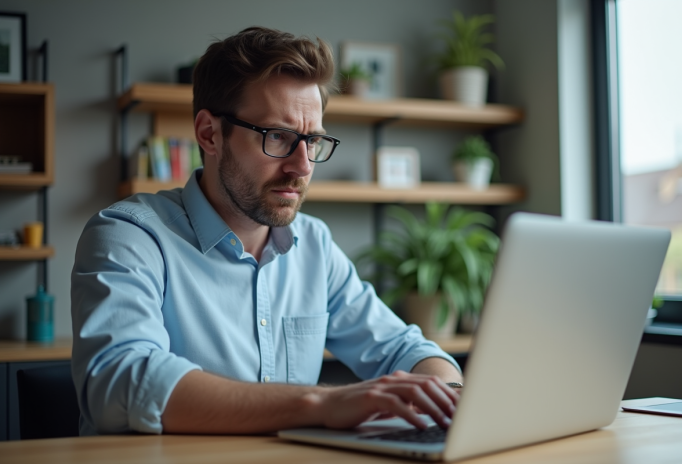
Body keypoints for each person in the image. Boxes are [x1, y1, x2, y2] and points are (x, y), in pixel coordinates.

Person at [71, 26, 463, 436]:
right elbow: (121, 383)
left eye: (312, 141)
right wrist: (324, 402)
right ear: (209, 134)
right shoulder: (127, 236)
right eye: (278, 136)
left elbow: (404, 349)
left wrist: (449, 397)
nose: (303, 166)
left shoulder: (314, 245)